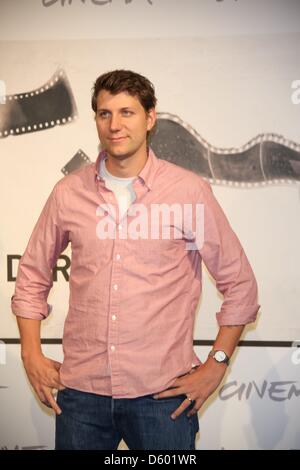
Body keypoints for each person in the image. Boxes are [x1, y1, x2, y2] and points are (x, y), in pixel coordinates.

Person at [11, 69, 260, 450]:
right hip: (81, 397)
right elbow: (31, 276)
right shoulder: (68, 192)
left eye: (127, 112)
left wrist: (217, 365)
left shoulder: (188, 192)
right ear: (95, 119)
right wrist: (30, 353)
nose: (115, 124)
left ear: (150, 117)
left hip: (163, 398)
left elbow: (240, 286)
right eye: (105, 113)